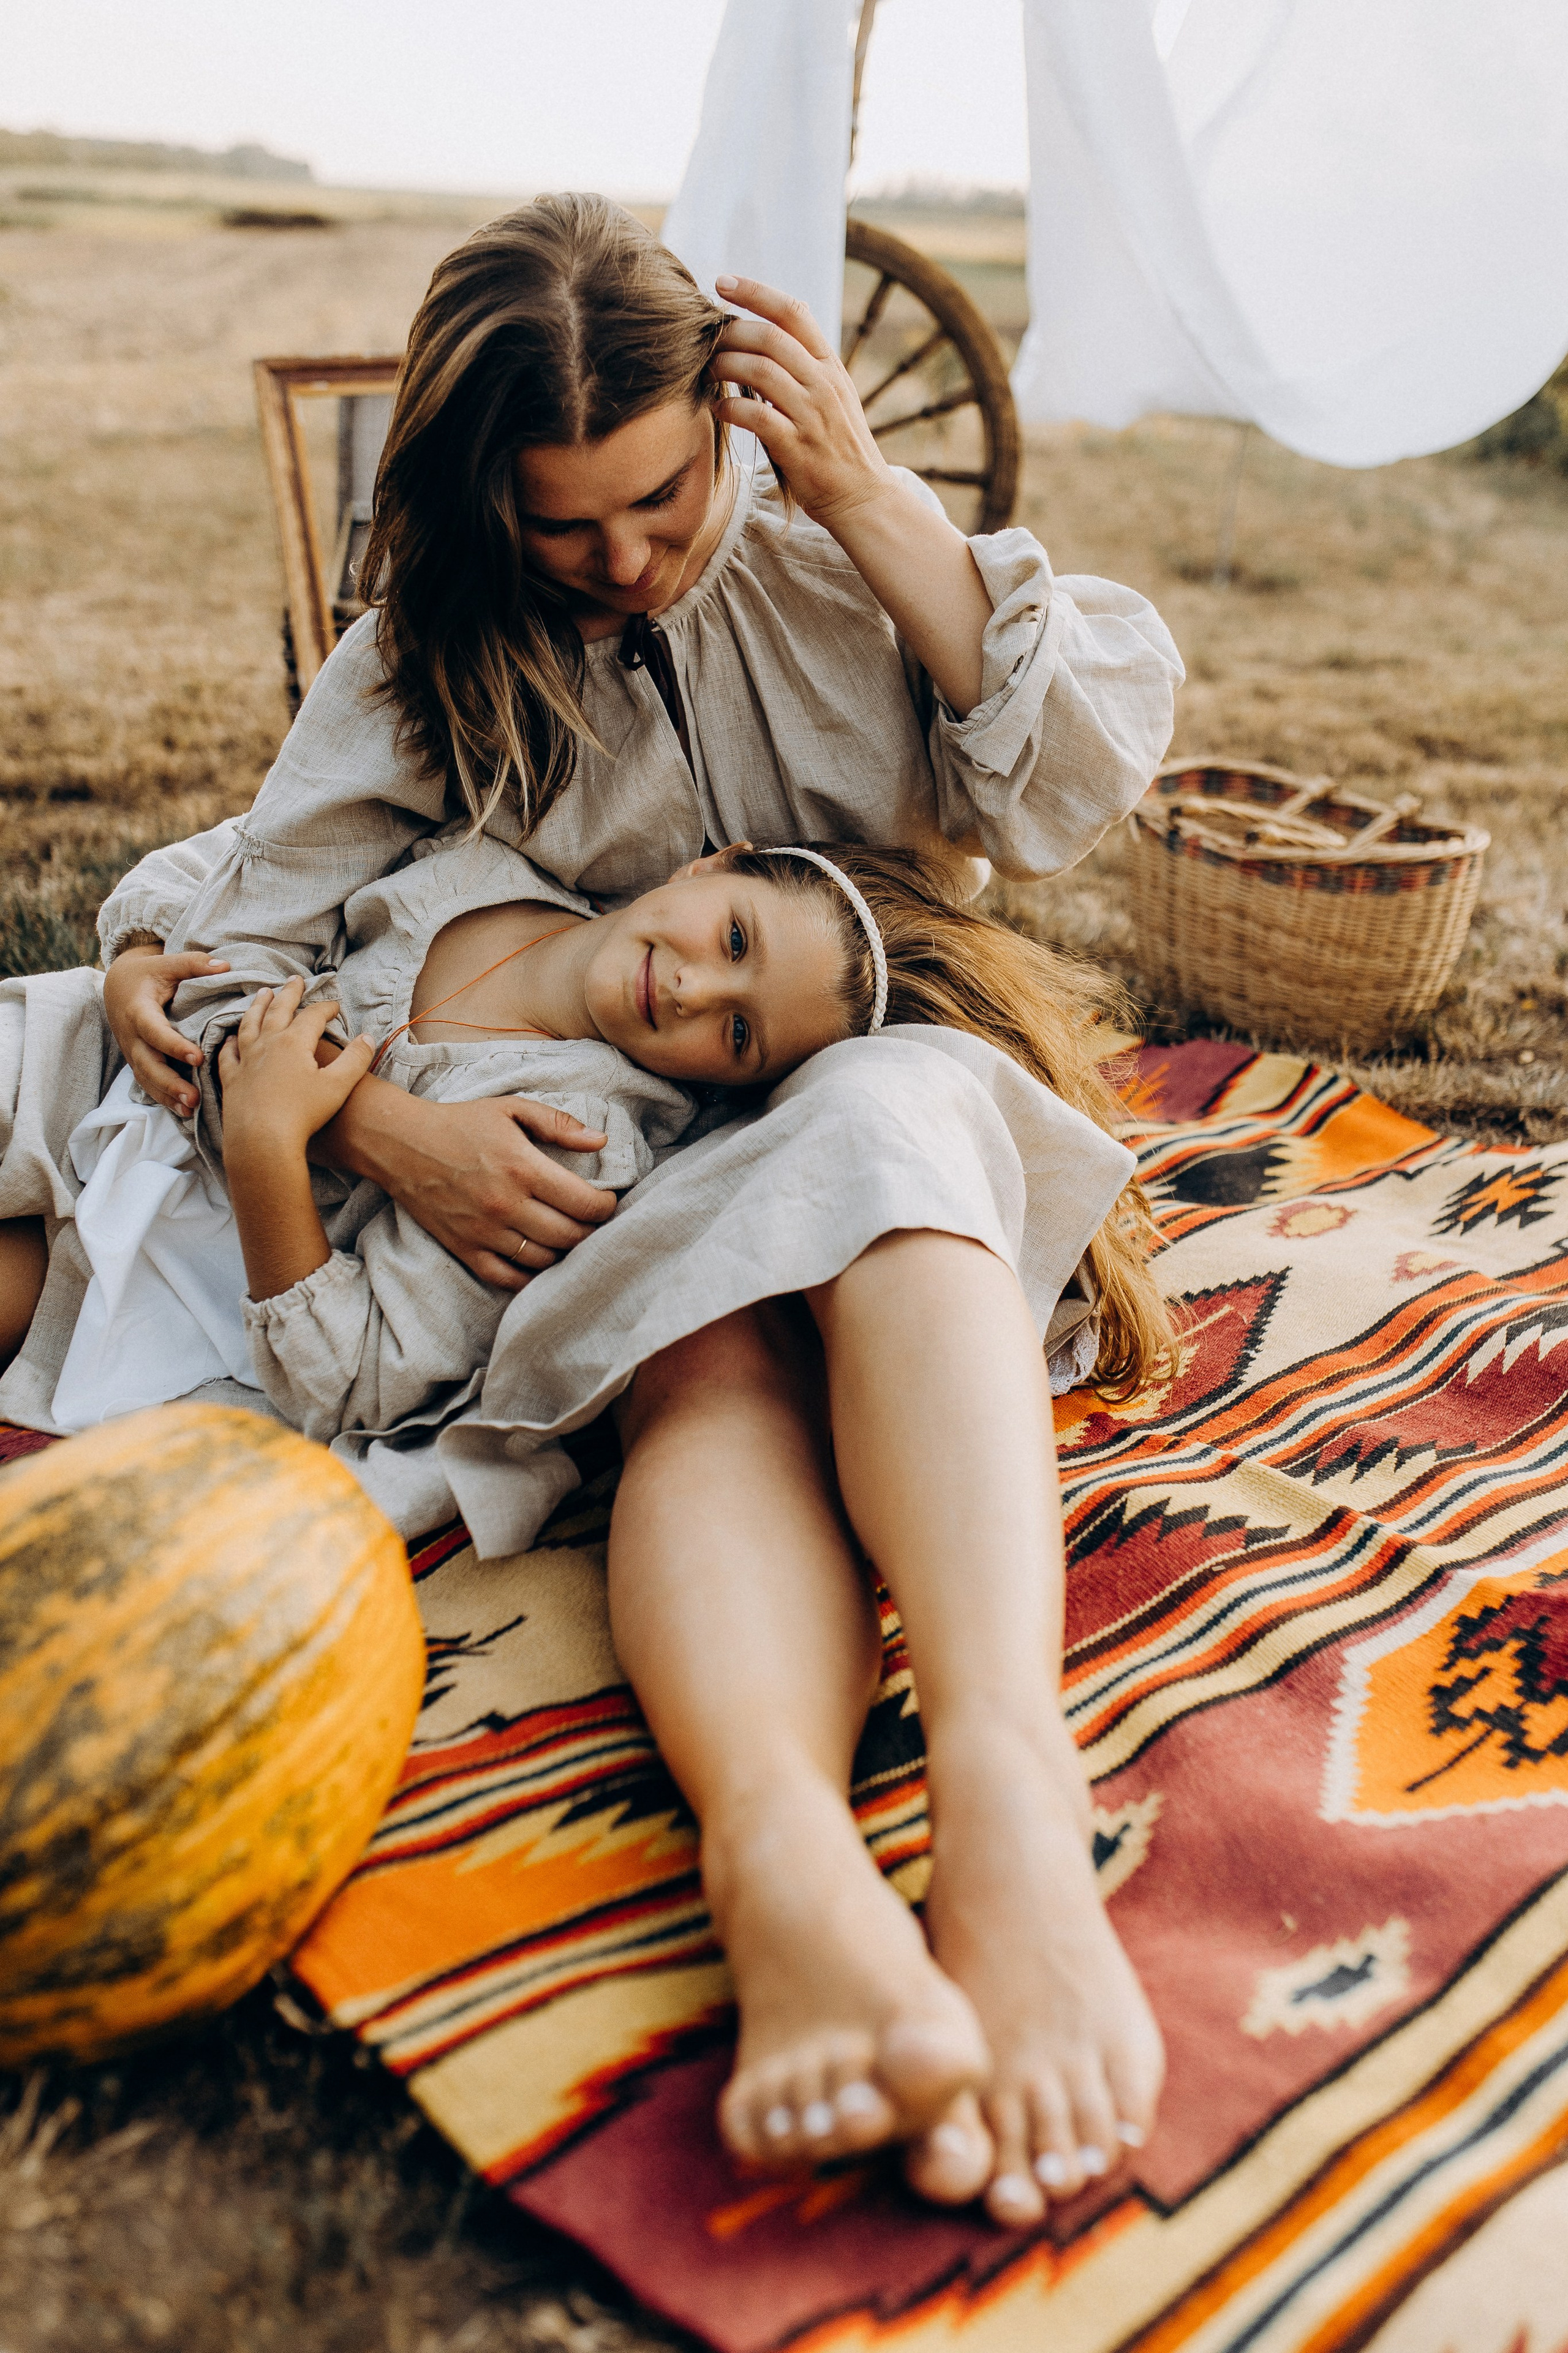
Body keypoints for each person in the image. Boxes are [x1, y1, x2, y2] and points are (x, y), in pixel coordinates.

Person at [68, 192, 1184, 2222]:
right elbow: (253, 925)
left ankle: (1009, 1797)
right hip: (615, 1128)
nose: (622, 560)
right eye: (559, 521)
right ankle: (782, 1863)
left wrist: (872, 502)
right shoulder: (436, 651)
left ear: (737, 426)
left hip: (855, 1037)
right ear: (482, 495)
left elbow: (1071, 778)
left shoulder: (836, 559)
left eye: (660, 497)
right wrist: (385, 1128)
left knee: (897, 1134)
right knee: (698, 1339)